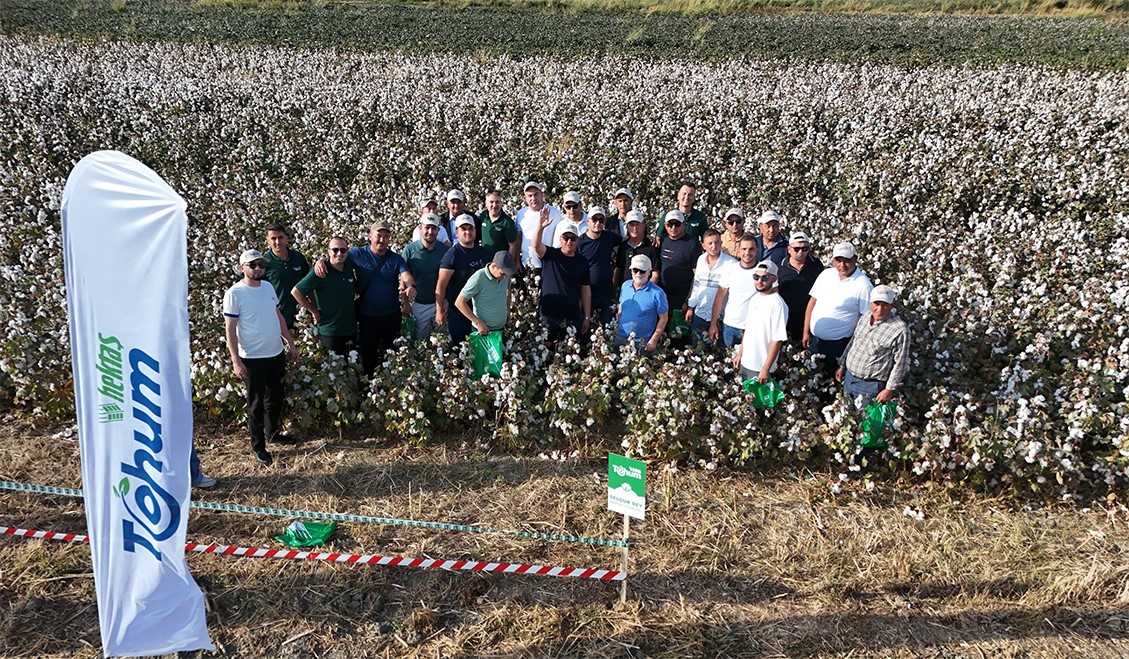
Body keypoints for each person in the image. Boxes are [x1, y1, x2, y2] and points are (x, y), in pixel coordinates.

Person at [223, 249, 300, 467]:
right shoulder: (234, 293)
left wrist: (290, 344)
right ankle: (259, 446)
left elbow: (278, 317)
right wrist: (236, 361)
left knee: (274, 396)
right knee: (255, 404)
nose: (258, 269)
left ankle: (272, 433)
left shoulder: (267, 287)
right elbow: (230, 329)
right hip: (253, 358)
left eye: (261, 265)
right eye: (253, 265)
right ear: (242, 268)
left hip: (275, 353)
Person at [316, 221, 416, 376]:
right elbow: (336, 257)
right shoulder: (357, 254)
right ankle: (371, 384)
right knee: (369, 354)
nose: (381, 240)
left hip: (391, 315)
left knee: (392, 352)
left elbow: (406, 275)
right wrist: (321, 261)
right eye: (378, 236)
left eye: (386, 237)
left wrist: (410, 286)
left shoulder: (396, 258)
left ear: (390, 239)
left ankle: (391, 383)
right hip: (368, 316)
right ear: (370, 236)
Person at [804, 241, 874, 376]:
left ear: (855, 259)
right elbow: (812, 302)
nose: (842, 265)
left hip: (839, 347)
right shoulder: (826, 275)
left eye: (847, 260)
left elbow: (865, 322)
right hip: (816, 341)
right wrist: (806, 331)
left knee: (833, 381)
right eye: (838, 260)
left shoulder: (863, 285)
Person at [836, 285, 911, 410]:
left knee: (867, 424)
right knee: (847, 415)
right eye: (876, 304)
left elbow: (900, 363)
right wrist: (842, 365)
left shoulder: (899, 329)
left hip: (871, 386)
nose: (879, 309)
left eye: (885, 305)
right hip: (849, 378)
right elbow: (853, 341)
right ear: (870, 303)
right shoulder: (865, 317)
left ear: (891, 306)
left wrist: (889, 389)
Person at [291, 237, 358, 357]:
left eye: (343, 250)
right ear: (328, 251)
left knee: (353, 368)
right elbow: (296, 291)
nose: (339, 253)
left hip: (350, 329)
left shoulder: (349, 267)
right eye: (335, 250)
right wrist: (314, 311)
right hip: (330, 332)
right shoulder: (321, 271)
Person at [531, 210, 591, 341]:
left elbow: (585, 289)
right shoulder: (550, 255)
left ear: (578, 241)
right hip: (548, 314)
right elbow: (535, 245)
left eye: (573, 238)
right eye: (566, 238)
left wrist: (587, 317)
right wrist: (540, 227)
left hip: (571, 316)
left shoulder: (582, 262)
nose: (569, 241)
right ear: (560, 239)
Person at [436, 214, 490, 344]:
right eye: (463, 229)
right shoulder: (452, 255)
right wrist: (439, 311)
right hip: (458, 313)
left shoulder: (483, 252)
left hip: (480, 311)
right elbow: (441, 285)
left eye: (470, 228)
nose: (467, 232)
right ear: (457, 232)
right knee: (461, 348)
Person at [732, 261, 788, 382]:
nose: (759, 281)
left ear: (774, 279)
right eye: (756, 277)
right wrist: (740, 353)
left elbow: (777, 340)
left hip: (760, 366)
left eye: (765, 277)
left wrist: (765, 369)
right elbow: (749, 329)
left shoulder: (778, 305)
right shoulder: (755, 298)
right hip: (745, 362)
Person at [402, 213, 449, 340]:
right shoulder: (410, 250)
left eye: (434, 228)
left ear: (438, 230)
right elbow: (403, 277)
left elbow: (449, 279)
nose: (430, 231)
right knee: (418, 341)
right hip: (419, 304)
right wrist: (406, 303)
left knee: (442, 342)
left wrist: (446, 303)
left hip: (440, 304)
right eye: (427, 228)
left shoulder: (444, 250)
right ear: (420, 228)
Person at [655, 210, 702, 332]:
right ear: (665, 225)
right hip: (663, 298)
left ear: (684, 224)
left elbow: (696, 276)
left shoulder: (692, 243)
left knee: (679, 338)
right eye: (670, 224)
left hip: (681, 300)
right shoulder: (662, 240)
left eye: (677, 224)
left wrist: (688, 301)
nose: (673, 227)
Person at [710, 234, 759, 348]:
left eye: (751, 249)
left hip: (753, 327)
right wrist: (713, 323)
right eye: (744, 249)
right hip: (730, 326)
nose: (747, 253)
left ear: (757, 250)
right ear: (738, 251)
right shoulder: (731, 269)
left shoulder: (763, 270)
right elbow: (720, 296)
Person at [774, 232, 823, 342]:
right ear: (789, 249)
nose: (800, 252)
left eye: (804, 249)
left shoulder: (816, 265)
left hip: (810, 320)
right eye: (796, 249)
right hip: (787, 321)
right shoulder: (779, 267)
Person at [261, 223, 310, 332]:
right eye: (273, 238)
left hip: (302, 316)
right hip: (277, 318)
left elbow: (310, 285)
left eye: (280, 237)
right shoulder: (263, 262)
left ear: (286, 238)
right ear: (267, 240)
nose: (277, 242)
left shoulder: (298, 257)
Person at [456, 251, 516, 336]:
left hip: (501, 329)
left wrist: (508, 310)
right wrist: (478, 323)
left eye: (507, 274)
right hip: (483, 331)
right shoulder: (478, 277)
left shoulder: (505, 276)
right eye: (502, 274)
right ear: (494, 266)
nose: (505, 277)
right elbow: (459, 302)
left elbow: (508, 289)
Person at [686, 228, 735, 333]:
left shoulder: (731, 263)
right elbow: (697, 285)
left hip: (720, 318)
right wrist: (691, 307)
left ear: (721, 243)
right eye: (710, 243)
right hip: (700, 314)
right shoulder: (701, 260)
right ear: (703, 246)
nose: (714, 246)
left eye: (717, 242)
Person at [577, 205, 620, 325]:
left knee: (608, 328)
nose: (598, 223)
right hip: (587, 293)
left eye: (601, 220)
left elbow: (626, 240)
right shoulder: (580, 243)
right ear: (588, 221)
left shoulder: (609, 237)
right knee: (584, 328)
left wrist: (651, 238)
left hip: (607, 292)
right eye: (594, 219)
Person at [616, 254, 668, 353]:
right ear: (631, 270)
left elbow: (663, 318)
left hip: (642, 342)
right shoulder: (625, 285)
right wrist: (617, 327)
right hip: (621, 338)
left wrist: (654, 340)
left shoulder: (658, 293)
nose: (638, 274)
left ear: (649, 272)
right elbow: (621, 308)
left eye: (642, 271)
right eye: (635, 270)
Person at [515, 181, 562, 270]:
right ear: (525, 198)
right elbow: (518, 239)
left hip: (550, 264)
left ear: (541, 195)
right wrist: (517, 261)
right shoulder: (521, 214)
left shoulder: (554, 212)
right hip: (528, 265)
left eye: (536, 194)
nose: (533, 198)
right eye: (530, 196)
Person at [614, 210, 658, 289]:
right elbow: (618, 268)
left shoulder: (651, 247)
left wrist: (642, 291)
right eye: (631, 225)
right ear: (627, 227)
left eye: (637, 224)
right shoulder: (623, 246)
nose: (635, 228)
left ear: (643, 226)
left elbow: (655, 275)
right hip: (624, 293)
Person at [478, 189, 520, 262]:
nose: (494, 205)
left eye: (497, 202)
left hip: (500, 264)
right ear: (486, 203)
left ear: (501, 204)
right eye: (491, 202)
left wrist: (508, 263)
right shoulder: (482, 217)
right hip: (484, 262)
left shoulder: (507, 222)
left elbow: (513, 245)